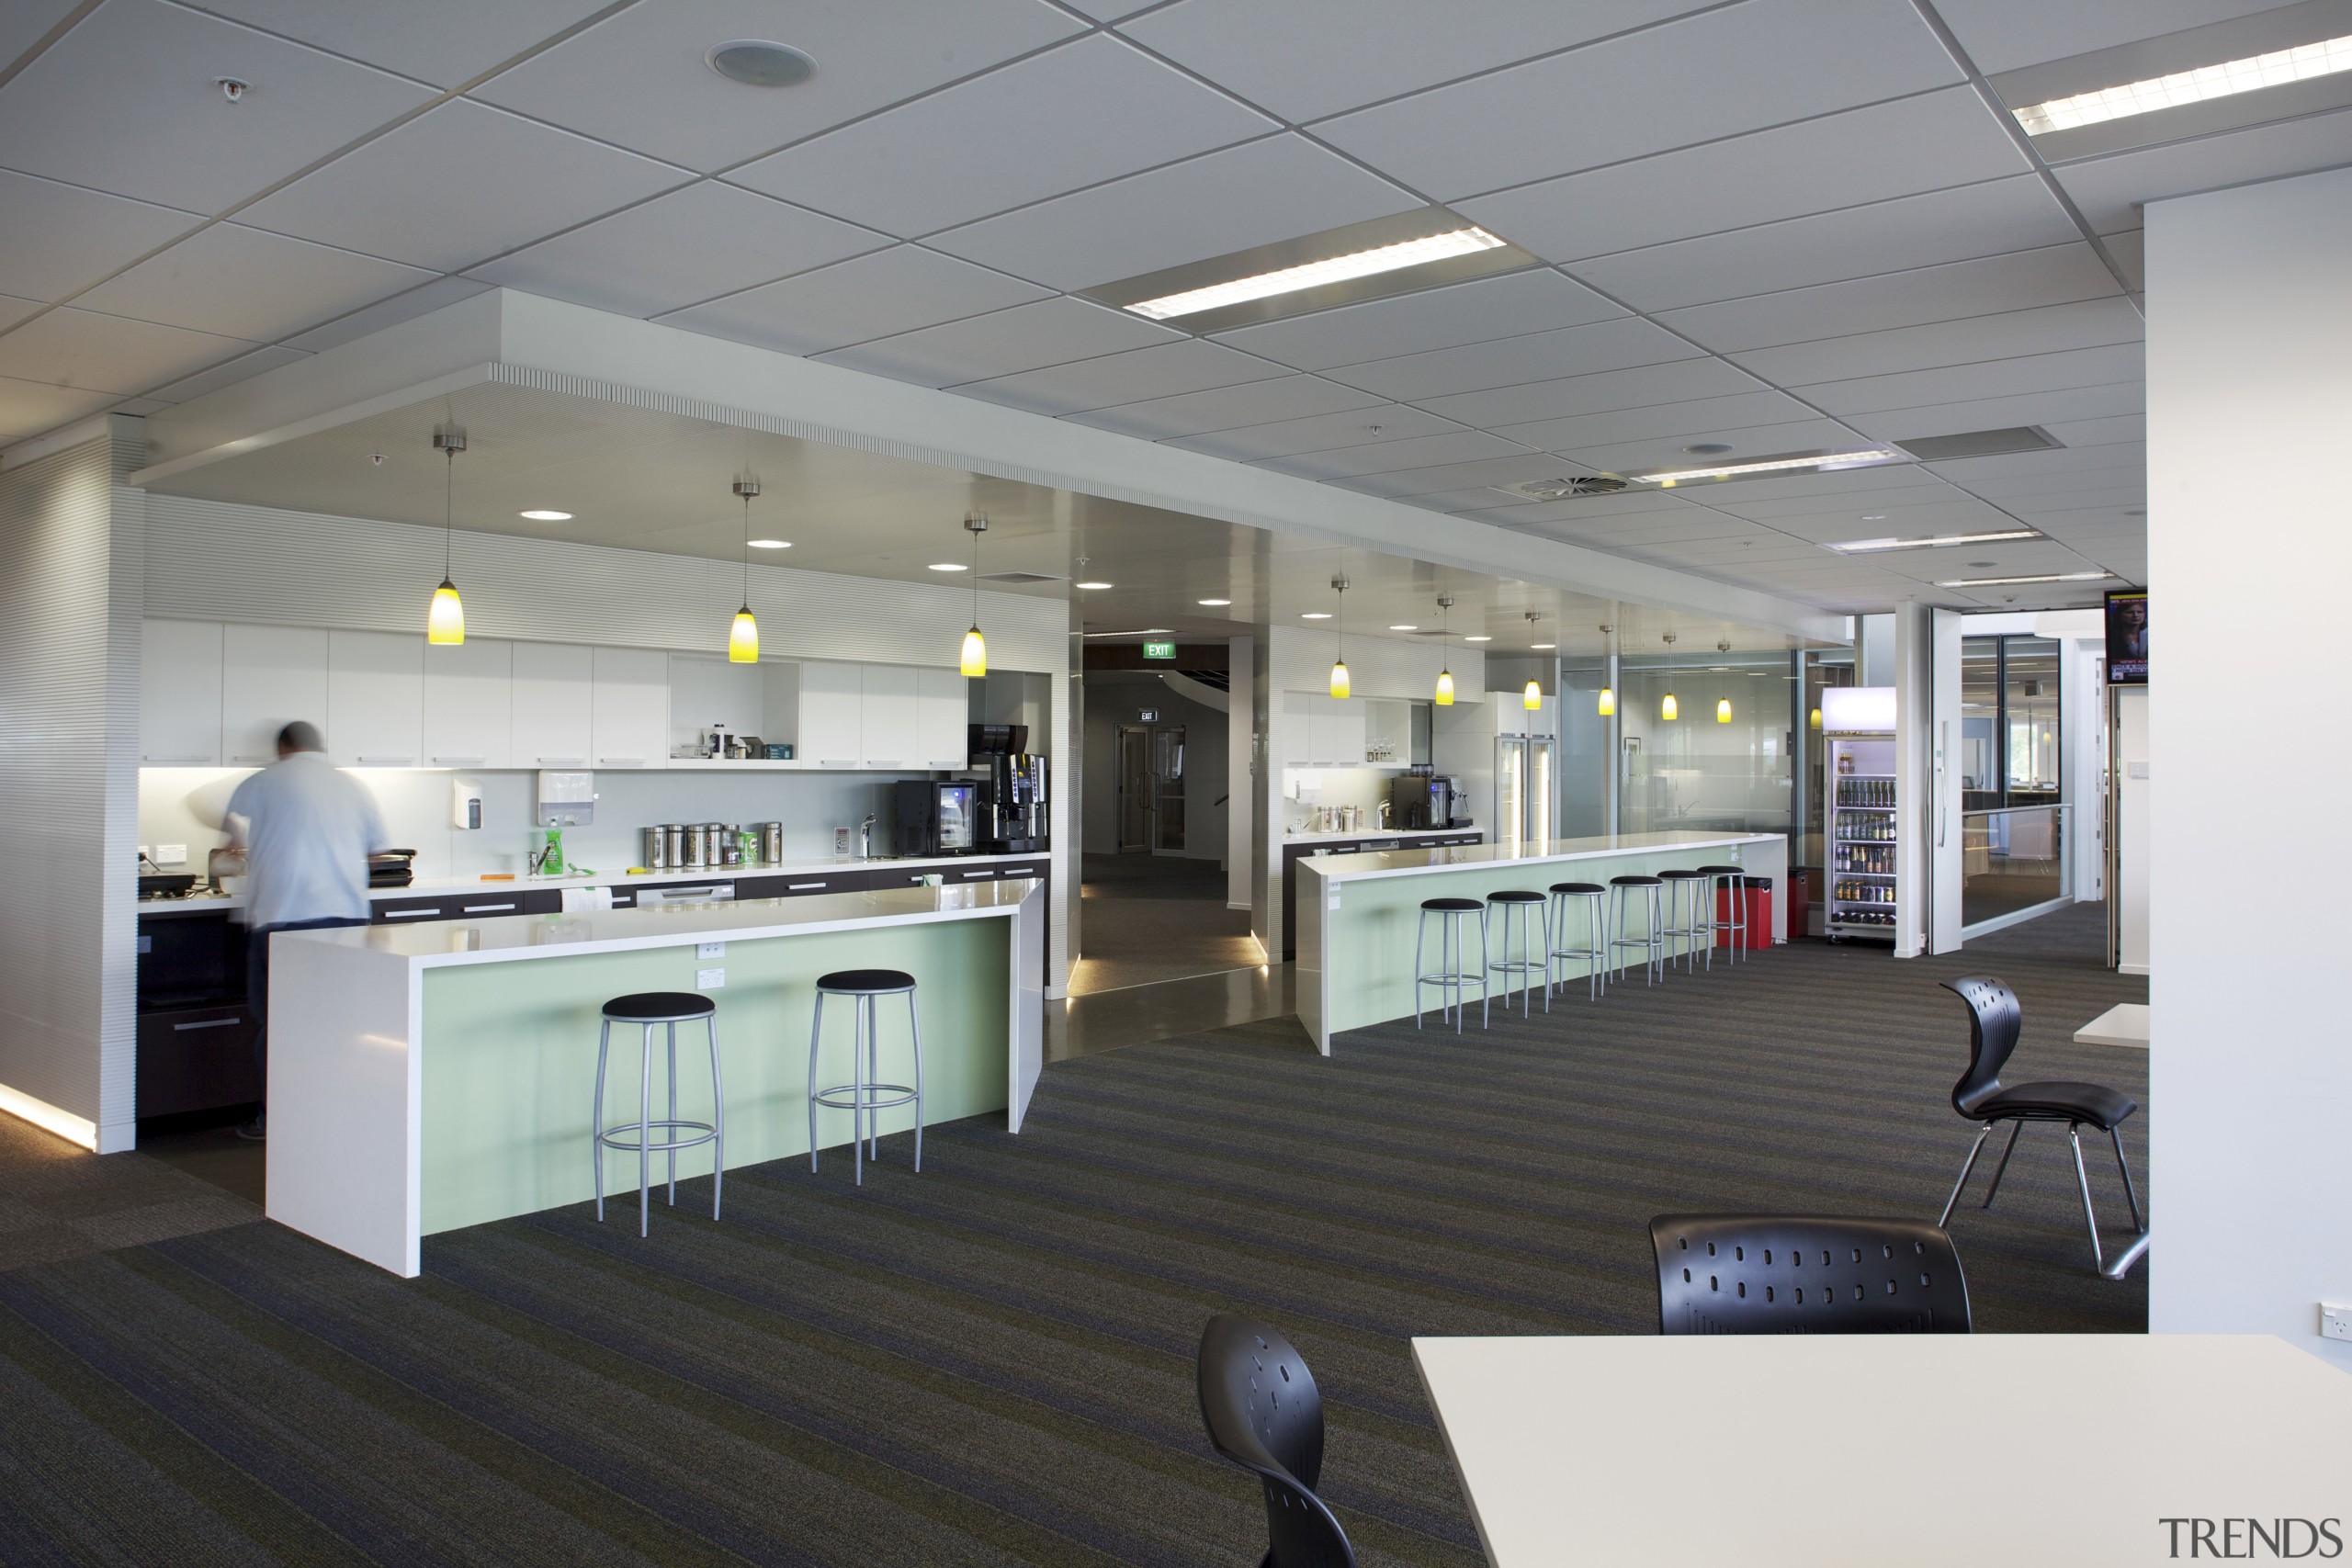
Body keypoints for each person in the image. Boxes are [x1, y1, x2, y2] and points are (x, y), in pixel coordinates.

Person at [220, 721, 389, 1141]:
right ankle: (336, 1110)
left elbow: (229, 829)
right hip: (346, 918)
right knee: (340, 1019)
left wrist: (238, 842)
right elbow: (379, 851)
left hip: (283, 916)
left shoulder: (264, 780)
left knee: (277, 1021)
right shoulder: (353, 786)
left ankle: (276, 1120)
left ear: (283, 748)